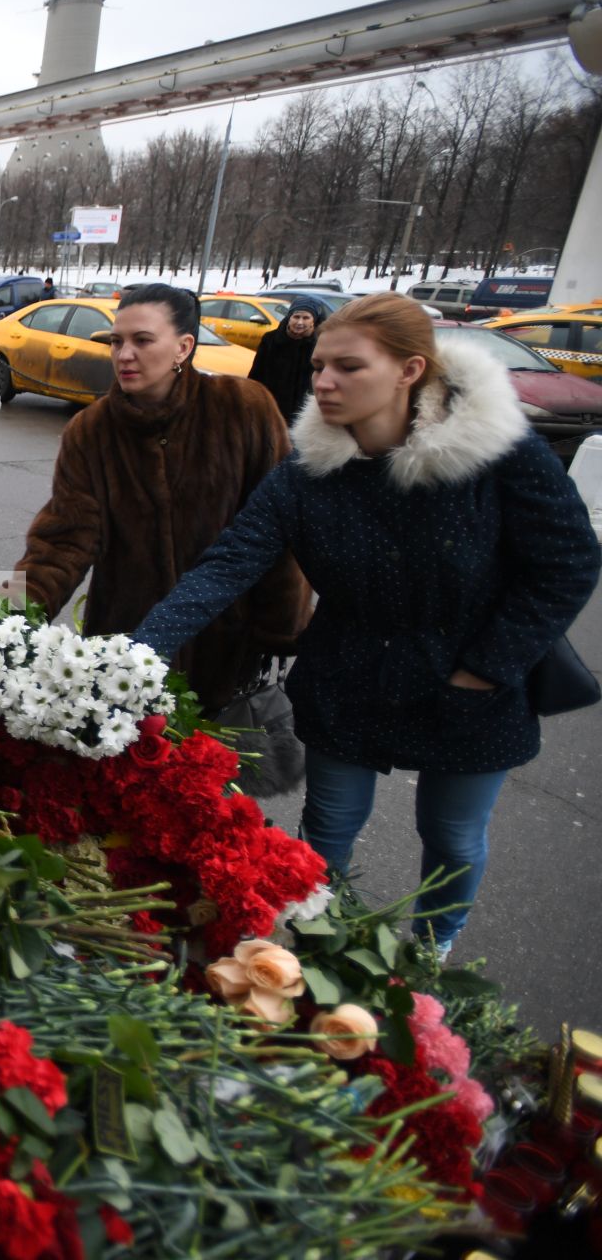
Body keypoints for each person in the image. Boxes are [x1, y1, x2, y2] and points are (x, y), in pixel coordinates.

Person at [134, 292, 599, 955]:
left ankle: (430, 959)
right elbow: (230, 563)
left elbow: (568, 563)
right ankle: (320, 952)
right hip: (349, 671)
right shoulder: (306, 473)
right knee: (328, 826)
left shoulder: (498, 452)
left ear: (410, 370)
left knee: (453, 837)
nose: (323, 381)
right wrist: (138, 650)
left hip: (474, 678)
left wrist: (486, 668)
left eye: (348, 368)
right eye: (320, 365)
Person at [10, 284, 310, 711]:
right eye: (116, 341)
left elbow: (279, 534)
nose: (124, 354)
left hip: (226, 648)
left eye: (142, 340)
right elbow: (60, 542)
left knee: (216, 773)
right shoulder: (91, 430)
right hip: (124, 651)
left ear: (183, 347)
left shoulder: (243, 408)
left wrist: (281, 631)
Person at [249, 302, 321, 423]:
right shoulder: (271, 339)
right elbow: (256, 373)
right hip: (271, 407)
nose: (300, 322)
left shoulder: (319, 343)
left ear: (313, 321)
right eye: (296, 317)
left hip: (303, 411)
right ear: (289, 318)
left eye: (306, 318)